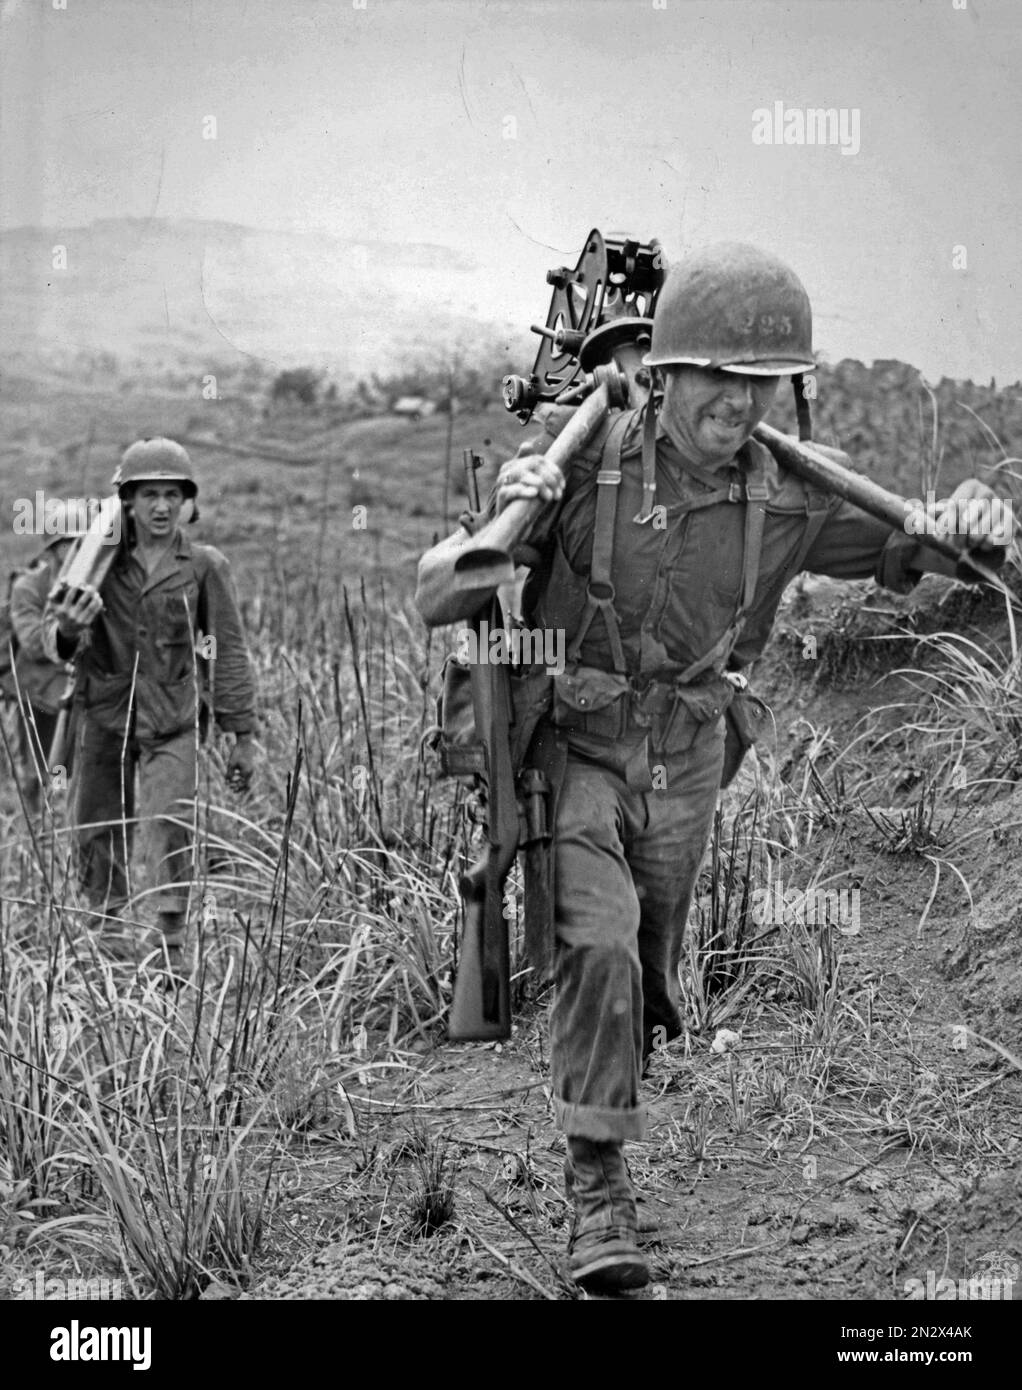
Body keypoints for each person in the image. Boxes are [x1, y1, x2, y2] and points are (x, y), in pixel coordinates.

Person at [424, 242, 1012, 1292]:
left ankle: (620, 1047)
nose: (738, 405)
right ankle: (597, 1191)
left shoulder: (790, 495)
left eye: (761, 384)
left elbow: (927, 549)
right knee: (598, 943)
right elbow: (442, 591)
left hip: (688, 758)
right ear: (665, 371)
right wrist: (513, 511)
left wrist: (971, 514)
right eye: (718, 379)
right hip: (577, 746)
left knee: (647, 965)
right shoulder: (580, 461)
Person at [45, 438, 259, 978]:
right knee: (96, 825)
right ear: (128, 502)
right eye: (149, 495)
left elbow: (229, 649)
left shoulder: (205, 566)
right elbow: (57, 643)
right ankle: (106, 932)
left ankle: (170, 939)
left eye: (172, 495)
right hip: (104, 715)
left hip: (172, 720)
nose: (162, 507)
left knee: (170, 821)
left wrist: (242, 735)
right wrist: (68, 629)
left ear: (187, 501)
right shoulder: (95, 563)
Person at [6, 505, 78, 817]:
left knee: (66, 772)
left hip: (77, 694)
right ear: (56, 548)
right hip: (38, 694)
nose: (77, 549)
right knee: (34, 772)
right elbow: (35, 643)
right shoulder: (29, 587)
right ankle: (36, 830)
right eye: (70, 542)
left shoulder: (96, 583)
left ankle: (60, 824)